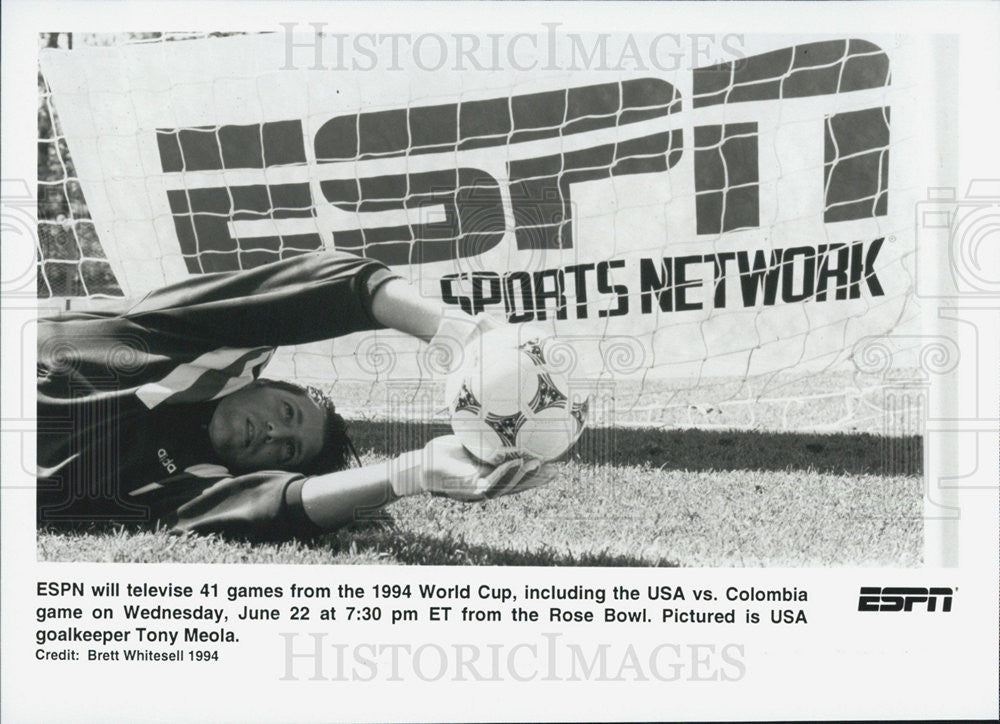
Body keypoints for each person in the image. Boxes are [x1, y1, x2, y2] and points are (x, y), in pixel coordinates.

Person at [37, 250, 549, 541]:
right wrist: (456, 330)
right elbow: (330, 284)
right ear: (262, 383)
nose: (275, 432)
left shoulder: (191, 489)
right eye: (287, 412)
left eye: (287, 450)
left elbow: (277, 505)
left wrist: (415, 472)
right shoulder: (185, 341)